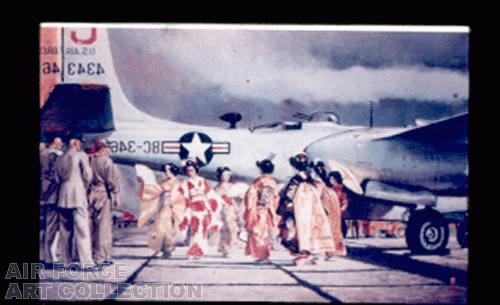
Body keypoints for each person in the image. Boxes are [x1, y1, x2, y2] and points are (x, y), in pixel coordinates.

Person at [276, 152, 336, 266]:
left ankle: (304, 254)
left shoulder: (297, 179)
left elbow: (289, 193)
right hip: (309, 201)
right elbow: (320, 185)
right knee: (310, 226)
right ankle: (313, 254)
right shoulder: (311, 178)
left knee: (302, 227)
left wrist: (286, 203)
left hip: (302, 202)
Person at [55, 134, 97, 270]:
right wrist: (83, 187)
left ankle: (66, 262)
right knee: (82, 230)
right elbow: (88, 175)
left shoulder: (60, 158)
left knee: (65, 231)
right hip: (77, 195)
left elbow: (57, 178)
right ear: (76, 143)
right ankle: (87, 263)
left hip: (63, 196)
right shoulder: (81, 155)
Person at [138, 163, 186, 258]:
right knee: (161, 228)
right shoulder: (163, 183)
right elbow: (153, 191)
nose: (166, 173)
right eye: (165, 171)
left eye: (168, 170)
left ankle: (168, 249)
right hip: (164, 208)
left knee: (170, 230)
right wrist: (143, 185)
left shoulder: (179, 184)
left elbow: (183, 197)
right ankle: (165, 249)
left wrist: (176, 205)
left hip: (175, 209)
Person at [178, 160, 223, 259]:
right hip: (193, 207)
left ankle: (201, 250)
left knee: (203, 230)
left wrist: (216, 202)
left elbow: (210, 193)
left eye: (192, 170)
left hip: (204, 207)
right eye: (188, 171)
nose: (190, 172)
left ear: (196, 170)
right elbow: (182, 197)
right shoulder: (185, 183)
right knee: (195, 230)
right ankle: (195, 250)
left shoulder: (202, 180)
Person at [88, 139, 121, 266]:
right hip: (103, 194)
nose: (109, 150)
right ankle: (102, 257)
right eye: (108, 147)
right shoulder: (107, 161)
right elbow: (112, 181)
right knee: (104, 226)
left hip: (92, 194)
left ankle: (93, 253)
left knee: (92, 227)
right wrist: (116, 195)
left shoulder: (90, 160)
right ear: (103, 149)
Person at [244, 159, 280, 262]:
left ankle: (262, 255)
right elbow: (276, 198)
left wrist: (252, 205)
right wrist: (273, 208)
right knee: (264, 232)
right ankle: (262, 254)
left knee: (258, 232)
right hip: (268, 210)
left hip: (260, 209)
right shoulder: (273, 182)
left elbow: (252, 194)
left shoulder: (259, 181)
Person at [40, 136, 63, 266]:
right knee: (51, 227)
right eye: (59, 143)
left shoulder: (42, 155)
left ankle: (43, 255)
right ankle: (48, 257)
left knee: (43, 227)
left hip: (44, 195)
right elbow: (54, 177)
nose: (60, 145)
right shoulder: (52, 156)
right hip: (51, 196)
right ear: (53, 143)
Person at [214, 167, 246, 258]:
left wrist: (240, 197)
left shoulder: (233, 186)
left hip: (233, 208)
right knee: (227, 228)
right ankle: (226, 247)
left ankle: (229, 247)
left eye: (228, 175)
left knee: (233, 228)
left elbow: (237, 197)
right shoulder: (217, 188)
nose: (226, 177)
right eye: (224, 175)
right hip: (223, 209)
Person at [315, 169, 347, 260]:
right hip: (329, 214)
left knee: (334, 234)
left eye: (333, 178)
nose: (331, 180)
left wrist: (340, 211)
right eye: (330, 178)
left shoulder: (340, 189)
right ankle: (326, 253)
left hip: (336, 215)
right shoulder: (327, 189)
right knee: (327, 233)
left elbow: (344, 201)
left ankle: (331, 253)